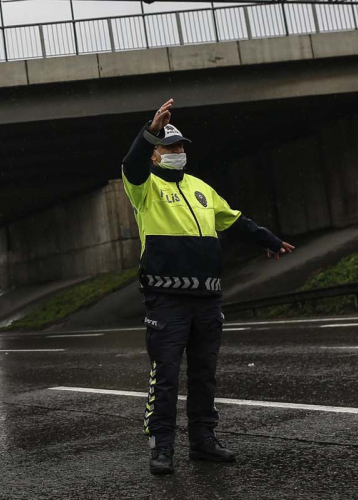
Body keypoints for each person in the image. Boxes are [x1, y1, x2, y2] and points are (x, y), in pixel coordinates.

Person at [121, 99, 295, 476]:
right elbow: (130, 164)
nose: (177, 152)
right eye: (169, 147)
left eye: (180, 146)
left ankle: (203, 442)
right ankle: (162, 448)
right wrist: (150, 131)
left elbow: (233, 221)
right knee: (165, 374)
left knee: (204, 373)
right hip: (166, 298)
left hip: (206, 298)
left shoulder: (201, 188)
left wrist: (268, 239)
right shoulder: (143, 187)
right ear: (155, 155)